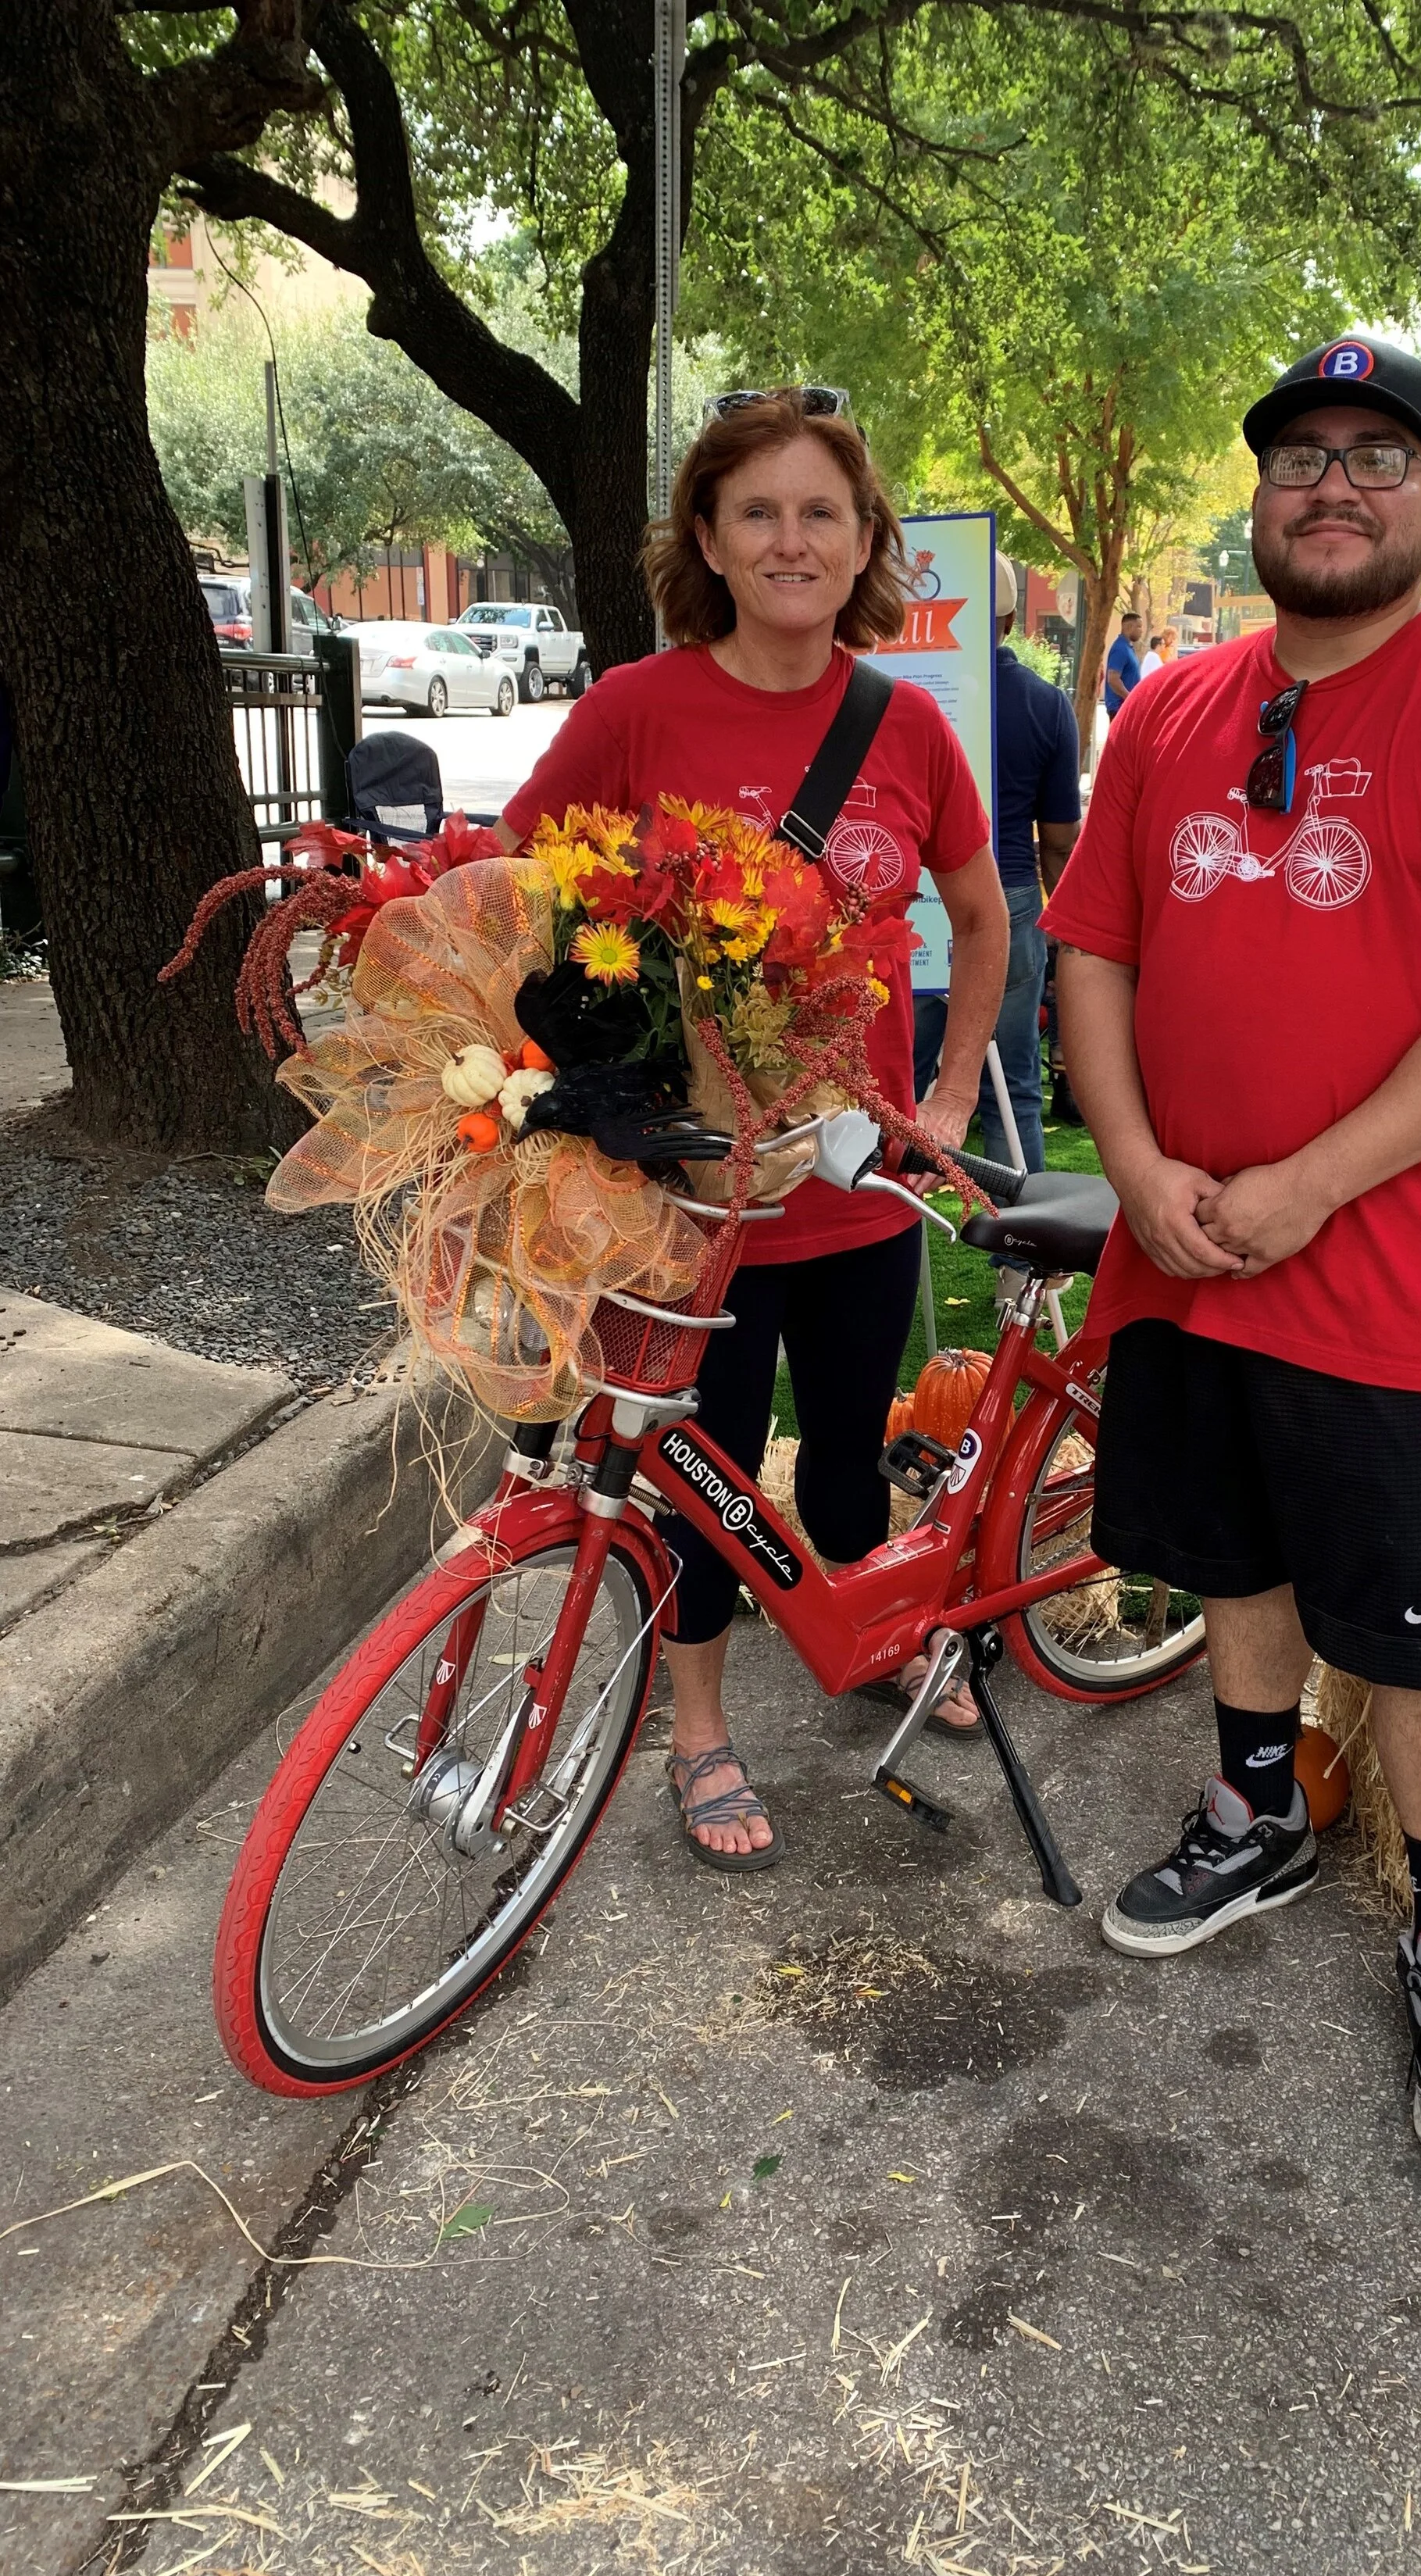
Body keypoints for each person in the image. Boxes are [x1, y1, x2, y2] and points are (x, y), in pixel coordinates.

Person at [1044, 337, 1421, 2172]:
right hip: (1187, 1249)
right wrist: (1135, 1160)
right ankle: (1258, 1812)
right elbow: (1097, 954)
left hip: (1384, 1275)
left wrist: (1307, 1181)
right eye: (1300, 455)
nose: (1335, 483)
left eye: (1379, 454)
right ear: (1262, 499)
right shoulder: (1171, 710)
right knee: (1233, 1563)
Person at [495, 390, 1009, 1858]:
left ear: (863, 547)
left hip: (853, 1186)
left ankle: (874, 1631)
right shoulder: (635, 712)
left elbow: (983, 923)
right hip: (689, 1201)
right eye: (759, 511)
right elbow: (521, 890)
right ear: (710, 540)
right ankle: (701, 1726)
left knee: (849, 1454)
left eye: (821, 513)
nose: (792, 538)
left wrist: (954, 1093)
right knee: (698, 1470)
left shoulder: (908, 728)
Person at [915, 555, 1080, 1174]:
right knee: (1013, 1091)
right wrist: (1066, 936)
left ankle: (888, 1236)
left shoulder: (905, 696)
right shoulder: (1045, 704)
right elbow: (1060, 839)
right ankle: (1022, 1265)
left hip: (917, 902)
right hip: (1007, 901)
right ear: (1010, 620)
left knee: (895, 1084)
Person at [1103, 610, 1144, 721]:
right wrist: (1129, 698)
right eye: (1139, 627)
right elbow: (1113, 679)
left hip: (1126, 708)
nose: (1142, 631)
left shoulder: (1128, 648)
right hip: (1119, 709)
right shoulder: (1120, 649)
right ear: (1129, 627)